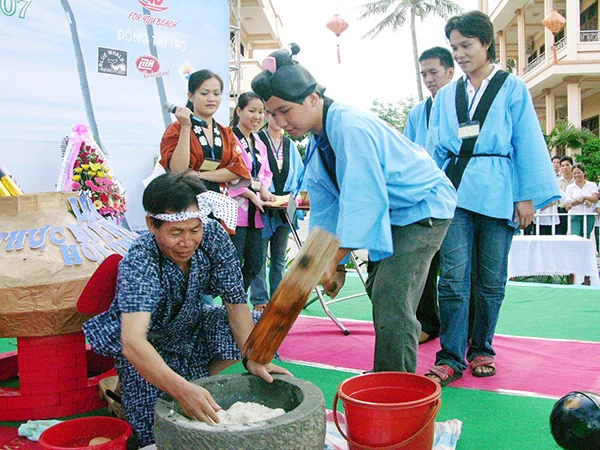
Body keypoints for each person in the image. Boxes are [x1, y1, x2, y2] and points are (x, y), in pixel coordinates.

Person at [252, 44, 457, 374]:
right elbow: (328, 210)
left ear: (313, 99)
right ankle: (391, 373)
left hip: (424, 207)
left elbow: (365, 199)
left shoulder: (349, 126)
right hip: (395, 212)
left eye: (284, 111)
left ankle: (394, 388)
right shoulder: (320, 139)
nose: (279, 121)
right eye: (272, 113)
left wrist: (333, 258)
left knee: (392, 298)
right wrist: (335, 262)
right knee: (381, 290)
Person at [82, 172, 289, 447]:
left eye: (194, 230)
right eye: (176, 232)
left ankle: (196, 377)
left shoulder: (213, 235)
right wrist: (180, 390)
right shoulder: (141, 258)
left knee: (257, 322)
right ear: (152, 225)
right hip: (148, 343)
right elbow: (132, 341)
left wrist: (253, 357)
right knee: (157, 431)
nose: (187, 242)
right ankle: (140, 383)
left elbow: (235, 301)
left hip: (191, 325)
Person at [425, 11, 561, 386]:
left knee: (490, 279)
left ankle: (482, 348)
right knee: (452, 278)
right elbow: (434, 147)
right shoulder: (447, 94)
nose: (460, 54)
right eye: (454, 48)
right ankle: (450, 356)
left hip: (500, 188)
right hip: (454, 191)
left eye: (466, 46)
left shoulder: (512, 86)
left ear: (487, 44)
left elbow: (526, 141)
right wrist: (425, 192)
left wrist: (526, 196)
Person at [404, 46, 454, 344]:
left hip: (458, 195)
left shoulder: (463, 108)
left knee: (456, 271)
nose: (429, 79)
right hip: (424, 200)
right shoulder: (417, 113)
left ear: (450, 71)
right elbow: (407, 154)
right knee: (423, 265)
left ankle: (464, 331)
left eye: (434, 72)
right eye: (424, 74)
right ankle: (427, 323)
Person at [159, 69, 250, 195]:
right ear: (190, 96)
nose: (211, 99)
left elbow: (237, 171)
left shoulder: (225, 132)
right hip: (187, 201)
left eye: (217, 93)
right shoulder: (177, 129)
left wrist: (199, 175)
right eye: (204, 93)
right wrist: (186, 127)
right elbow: (177, 170)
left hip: (219, 203)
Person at [249, 112, 304, 309]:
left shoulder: (290, 145)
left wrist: (295, 198)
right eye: (273, 115)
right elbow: (253, 170)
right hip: (262, 204)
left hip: (284, 206)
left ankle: (278, 298)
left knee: (279, 256)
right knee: (259, 255)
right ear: (267, 116)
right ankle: (260, 300)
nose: (279, 120)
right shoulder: (257, 140)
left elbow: (300, 175)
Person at [228, 92, 275, 293]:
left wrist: (264, 188)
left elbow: (265, 172)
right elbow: (228, 173)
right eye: (252, 111)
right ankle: (232, 305)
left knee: (255, 263)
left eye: (261, 112)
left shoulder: (260, 142)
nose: (257, 116)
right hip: (234, 211)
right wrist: (250, 194)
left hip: (255, 213)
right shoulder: (228, 139)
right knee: (233, 263)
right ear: (239, 111)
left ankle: (237, 298)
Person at [565, 163, 599, 238]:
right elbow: (568, 203)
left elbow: (595, 198)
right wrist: (581, 201)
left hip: (588, 214)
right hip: (575, 214)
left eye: (579, 172)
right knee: (576, 235)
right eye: (574, 173)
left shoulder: (592, 185)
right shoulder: (570, 187)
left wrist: (584, 197)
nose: (577, 175)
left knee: (586, 236)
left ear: (584, 173)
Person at [556, 156, 575, 235]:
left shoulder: (576, 180)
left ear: (572, 166)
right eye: (562, 166)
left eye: (567, 165)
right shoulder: (557, 182)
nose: (565, 168)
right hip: (562, 209)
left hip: (575, 209)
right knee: (561, 233)